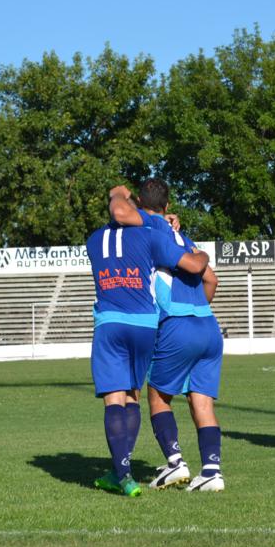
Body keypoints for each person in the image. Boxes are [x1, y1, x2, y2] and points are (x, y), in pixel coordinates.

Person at [86, 204, 210, 497]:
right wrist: (170, 229)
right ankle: (121, 471)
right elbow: (195, 267)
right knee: (133, 396)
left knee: (114, 399)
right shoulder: (150, 236)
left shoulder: (93, 240)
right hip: (145, 325)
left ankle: (123, 475)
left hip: (110, 323)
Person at [109, 180, 225, 492]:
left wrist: (118, 193)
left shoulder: (148, 228)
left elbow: (120, 213)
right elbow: (212, 281)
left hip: (176, 324)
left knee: (158, 395)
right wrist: (196, 308)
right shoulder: (181, 237)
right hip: (208, 326)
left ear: (139, 203)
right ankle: (212, 471)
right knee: (201, 400)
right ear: (168, 205)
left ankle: (175, 463)